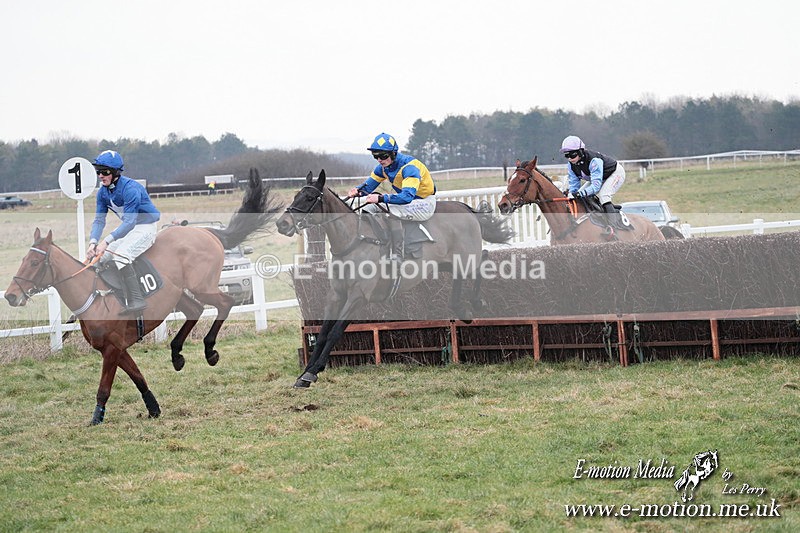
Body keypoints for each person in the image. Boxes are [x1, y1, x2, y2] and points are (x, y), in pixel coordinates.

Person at [86, 150, 161, 314]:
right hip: (132, 229)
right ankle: (113, 296)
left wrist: (105, 241)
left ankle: (137, 299)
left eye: (104, 172)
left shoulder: (131, 189)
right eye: (98, 171)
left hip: (145, 227)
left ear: (115, 173)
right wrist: (93, 242)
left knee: (121, 254)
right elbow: (99, 220)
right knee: (100, 257)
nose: (100, 175)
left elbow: (129, 222)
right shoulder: (102, 193)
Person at [347, 132, 436, 260]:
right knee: (368, 208)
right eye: (375, 156)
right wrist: (357, 191)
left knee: (390, 212)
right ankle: (376, 244)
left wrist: (381, 198)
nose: (379, 160)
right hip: (407, 202)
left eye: (382, 156)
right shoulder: (382, 168)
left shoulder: (409, 167)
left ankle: (397, 255)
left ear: (393, 153)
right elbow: (367, 187)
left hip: (424, 203)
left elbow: (406, 197)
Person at [560, 135, 627, 227]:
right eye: (567, 155)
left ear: (580, 151)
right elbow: (574, 186)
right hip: (599, 177)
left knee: (604, 195)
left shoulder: (594, 160)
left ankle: (614, 226)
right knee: (579, 195)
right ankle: (600, 213)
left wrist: (581, 194)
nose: (570, 158)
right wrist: (572, 194)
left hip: (615, 173)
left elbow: (595, 187)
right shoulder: (571, 165)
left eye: (572, 154)